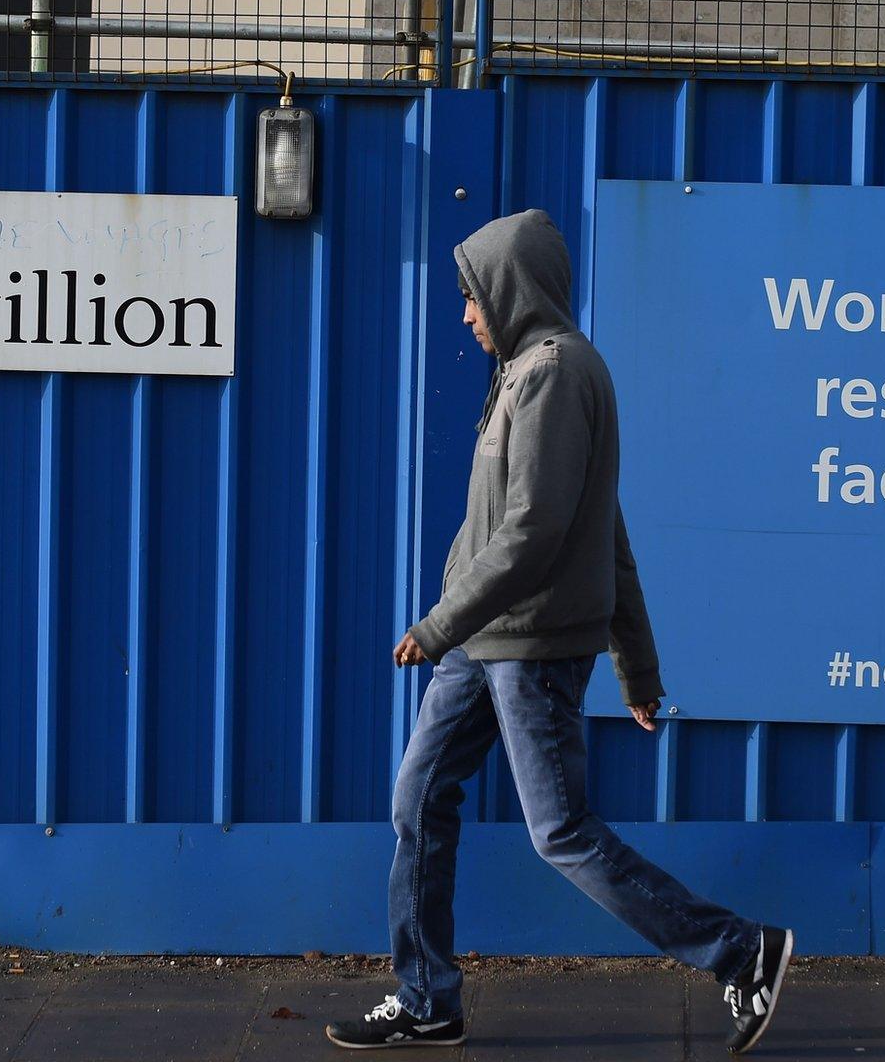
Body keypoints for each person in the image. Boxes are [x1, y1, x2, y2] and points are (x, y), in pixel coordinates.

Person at [324, 210, 793, 1054]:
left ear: (509, 288)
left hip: (527, 645)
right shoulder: (526, 375)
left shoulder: (553, 375)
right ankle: (428, 996)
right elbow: (604, 531)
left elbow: (541, 531)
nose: (466, 315)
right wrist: (638, 668)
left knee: (562, 833)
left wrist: (438, 625)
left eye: (472, 298)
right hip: (484, 642)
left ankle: (741, 952)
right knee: (418, 801)